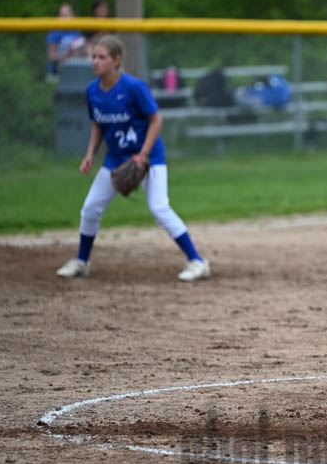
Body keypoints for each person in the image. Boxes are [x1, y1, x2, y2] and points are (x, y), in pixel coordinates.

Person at [56, 35, 211, 282]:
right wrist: (90, 154)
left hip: (149, 157)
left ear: (116, 60)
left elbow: (156, 120)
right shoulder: (92, 91)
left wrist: (143, 154)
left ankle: (197, 261)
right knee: (91, 208)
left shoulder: (133, 87)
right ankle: (82, 261)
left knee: (159, 208)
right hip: (116, 157)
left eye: (101, 57)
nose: (95, 61)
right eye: (93, 56)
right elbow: (98, 123)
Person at [46, 2, 87, 80]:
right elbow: (52, 57)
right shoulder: (55, 33)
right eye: (62, 15)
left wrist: (82, 50)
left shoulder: (76, 32)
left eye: (67, 15)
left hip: (75, 69)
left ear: (73, 16)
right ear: (58, 17)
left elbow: (83, 52)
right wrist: (67, 54)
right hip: (58, 71)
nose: (65, 18)